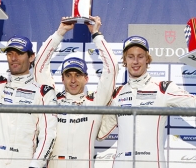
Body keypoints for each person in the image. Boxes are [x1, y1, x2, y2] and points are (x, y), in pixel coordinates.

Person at [97, 35, 196, 168]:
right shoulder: (117, 93)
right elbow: (100, 133)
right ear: (124, 60)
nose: (135, 61)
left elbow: (193, 104)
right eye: (131, 56)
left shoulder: (163, 88)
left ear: (147, 59)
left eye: (140, 56)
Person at [34, 16, 119, 168]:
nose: (73, 80)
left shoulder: (95, 102)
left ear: (86, 78)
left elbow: (112, 68)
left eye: (77, 75)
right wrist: (60, 33)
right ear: (62, 78)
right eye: (68, 75)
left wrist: (96, 35)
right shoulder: (52, 100)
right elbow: (39, 66)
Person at [0, 20, 57, 168]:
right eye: (10, 53)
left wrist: (36, 165)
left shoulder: (43, 92)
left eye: (19, 53)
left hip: (23, 163)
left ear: (31, 57)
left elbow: (49, 135)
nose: (14, 58)